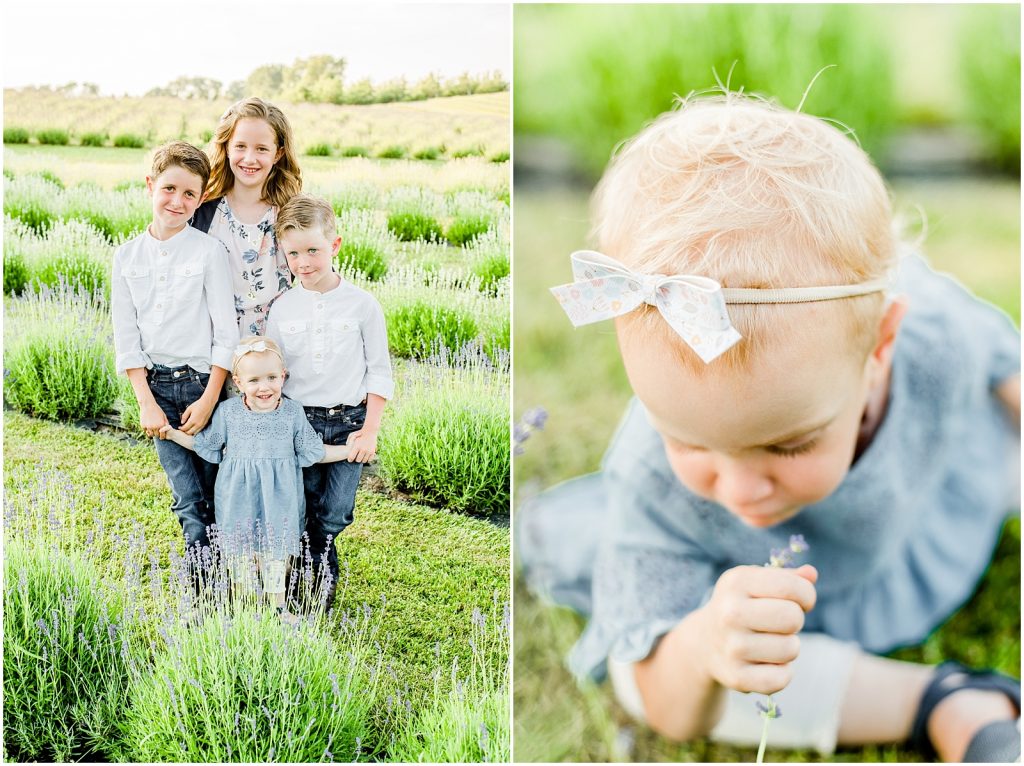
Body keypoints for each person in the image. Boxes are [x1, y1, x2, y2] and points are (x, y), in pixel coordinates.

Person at [521, 93, 1021, 762]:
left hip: (924, 515)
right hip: (770, 612)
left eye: (788, 443)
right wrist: (706, 645)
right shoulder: (652, 485)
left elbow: (1003, 360)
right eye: (689, 441)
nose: (742, 490)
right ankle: (946, 703)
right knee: (648, 676)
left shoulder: (933, 333)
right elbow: (668, 706)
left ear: (880, 348)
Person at [160, 337, 353, 618]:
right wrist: (174, 434)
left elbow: (313, 452)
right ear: (238, 382)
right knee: (241, 555)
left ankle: (277, 606)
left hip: (281, 499)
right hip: (237, 497)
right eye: (254, 380)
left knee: (275, 553)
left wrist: (350, 451)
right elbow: (206, 446)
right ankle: (243, 607)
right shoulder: (228, 412)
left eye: (272, 377)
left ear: (283, 377)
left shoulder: (292, 412)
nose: (264, 387)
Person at [266, 193, 394, 609]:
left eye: (313, 251)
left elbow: (379, 371)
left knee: (336, 510)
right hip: (299, 420)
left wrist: (370, 429)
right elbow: (275, 371)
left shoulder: (362, 305)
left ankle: (318, 555)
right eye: (294, 254)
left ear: (335, 245)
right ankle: (312, 576)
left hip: (349, 423)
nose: (304, 262)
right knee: (299, 505)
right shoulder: (283, 309)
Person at [111, 140, 238, 558]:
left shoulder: (209, 252)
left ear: (201, 198)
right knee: (186, 494)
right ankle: (200, 575)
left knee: (217, 486)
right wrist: (146, 404)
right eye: (169, 188)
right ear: (150, 185)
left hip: (205, 387)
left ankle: (228, 571)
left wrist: (208, 400)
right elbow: (127, 339)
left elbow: (226, 334)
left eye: (189, 194)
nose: (177, 201)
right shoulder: (126, 257)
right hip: (158, 391)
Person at [191, 97, 302, 336]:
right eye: (240, 146)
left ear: (278, 154)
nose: (250, 158)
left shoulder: (289, 213)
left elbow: (317, 277)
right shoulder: (202, 210)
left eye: (261, 148)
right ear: (226, 147)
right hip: (211, 352)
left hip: (273, 353)